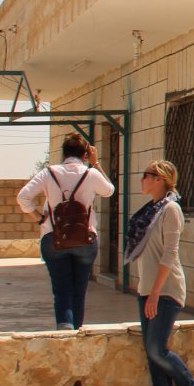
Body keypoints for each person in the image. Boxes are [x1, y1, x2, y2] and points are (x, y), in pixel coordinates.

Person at [125, 159, 194, 386]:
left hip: (166, 290)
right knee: (151, 352)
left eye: (147, 175)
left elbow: (170, 254)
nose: (142, 179)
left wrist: (156, 294)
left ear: (160, 179)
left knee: (157, 350)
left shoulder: (170, 210)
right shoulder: (150, 210)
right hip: (147, 289)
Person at [16, 134, 115, 330]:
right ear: (85, 155)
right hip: (85, 239)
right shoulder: (91, 174)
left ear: (63, 153)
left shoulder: (48, 173)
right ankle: (76, 331)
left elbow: (23, 197)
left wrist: (39, 217)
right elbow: (109, 190)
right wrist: (95, 165)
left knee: (61, 289)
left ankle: (65, 326)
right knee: (79, 289)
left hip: (54, 238)